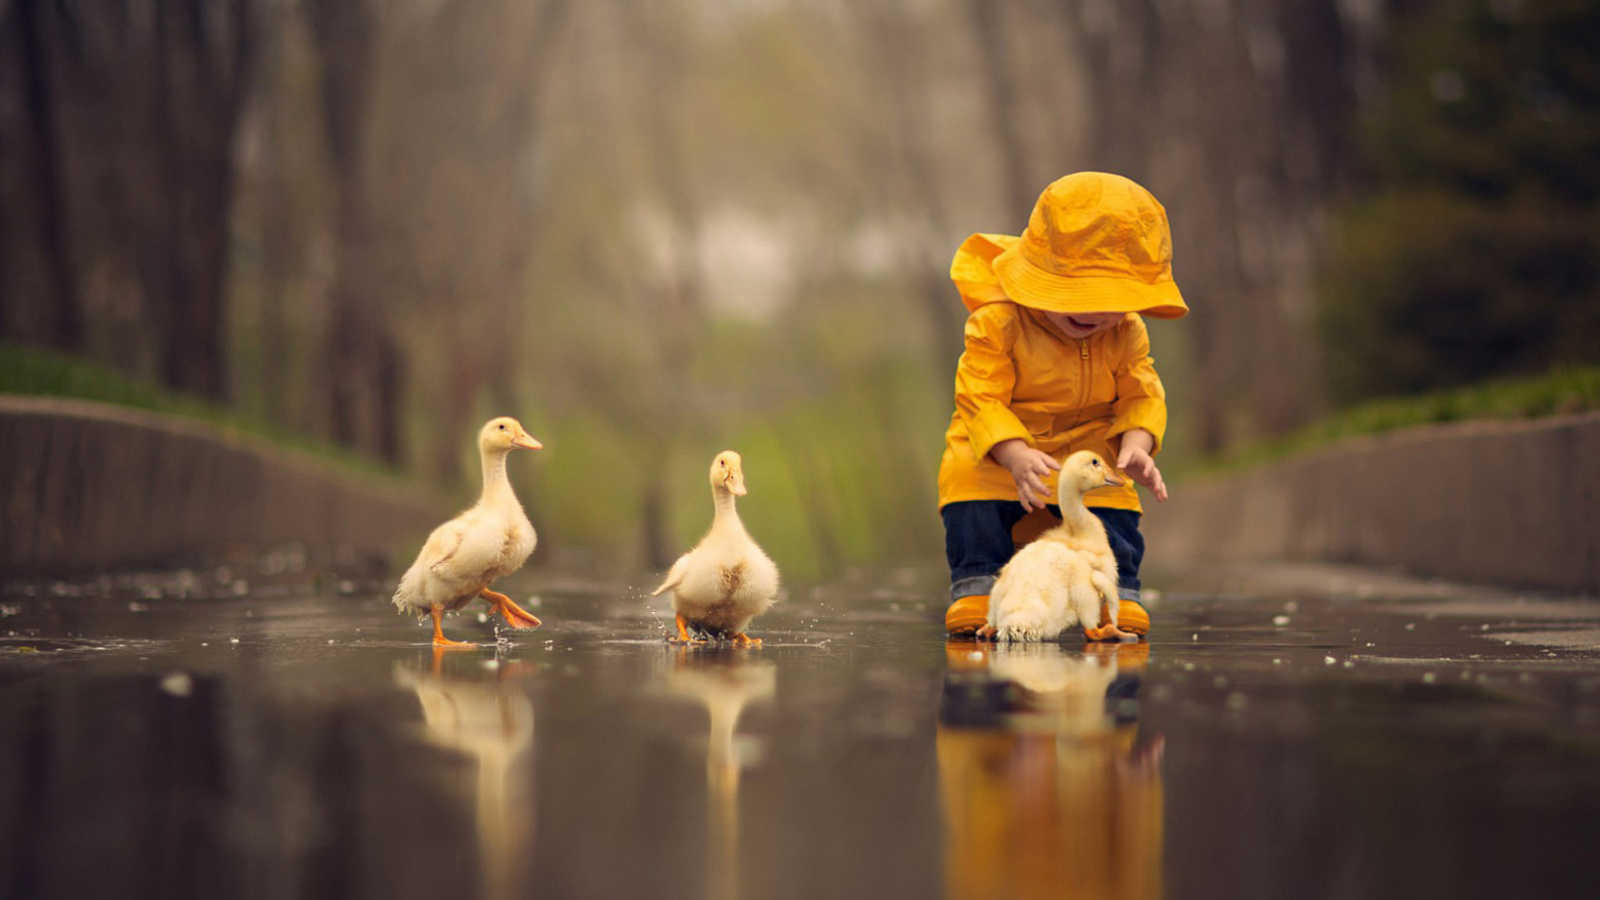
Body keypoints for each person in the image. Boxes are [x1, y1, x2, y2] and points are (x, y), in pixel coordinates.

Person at [939, 172, 1188, 638]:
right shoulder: (998, 320)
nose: (1096, 312)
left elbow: (1142, 390)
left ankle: (1113, 591)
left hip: (1089, 445)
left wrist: (1137, 441)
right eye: (1077, 293)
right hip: (1004, 446)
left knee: (1113, 503)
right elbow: (979, 394)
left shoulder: (1126, 330)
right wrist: (1012, 453)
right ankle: (979, 583)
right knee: (970, 490)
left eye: (1114, 299)